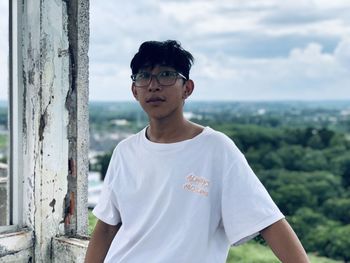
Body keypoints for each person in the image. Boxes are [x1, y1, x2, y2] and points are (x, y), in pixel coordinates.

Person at [85, 40, 310, 263]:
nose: (153, 85)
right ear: (135, 90)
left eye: (166, 75)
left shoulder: (216, 149)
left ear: (187, 88)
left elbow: (268, 222)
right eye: (144, 76)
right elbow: (106, 228)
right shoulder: (125, 151)